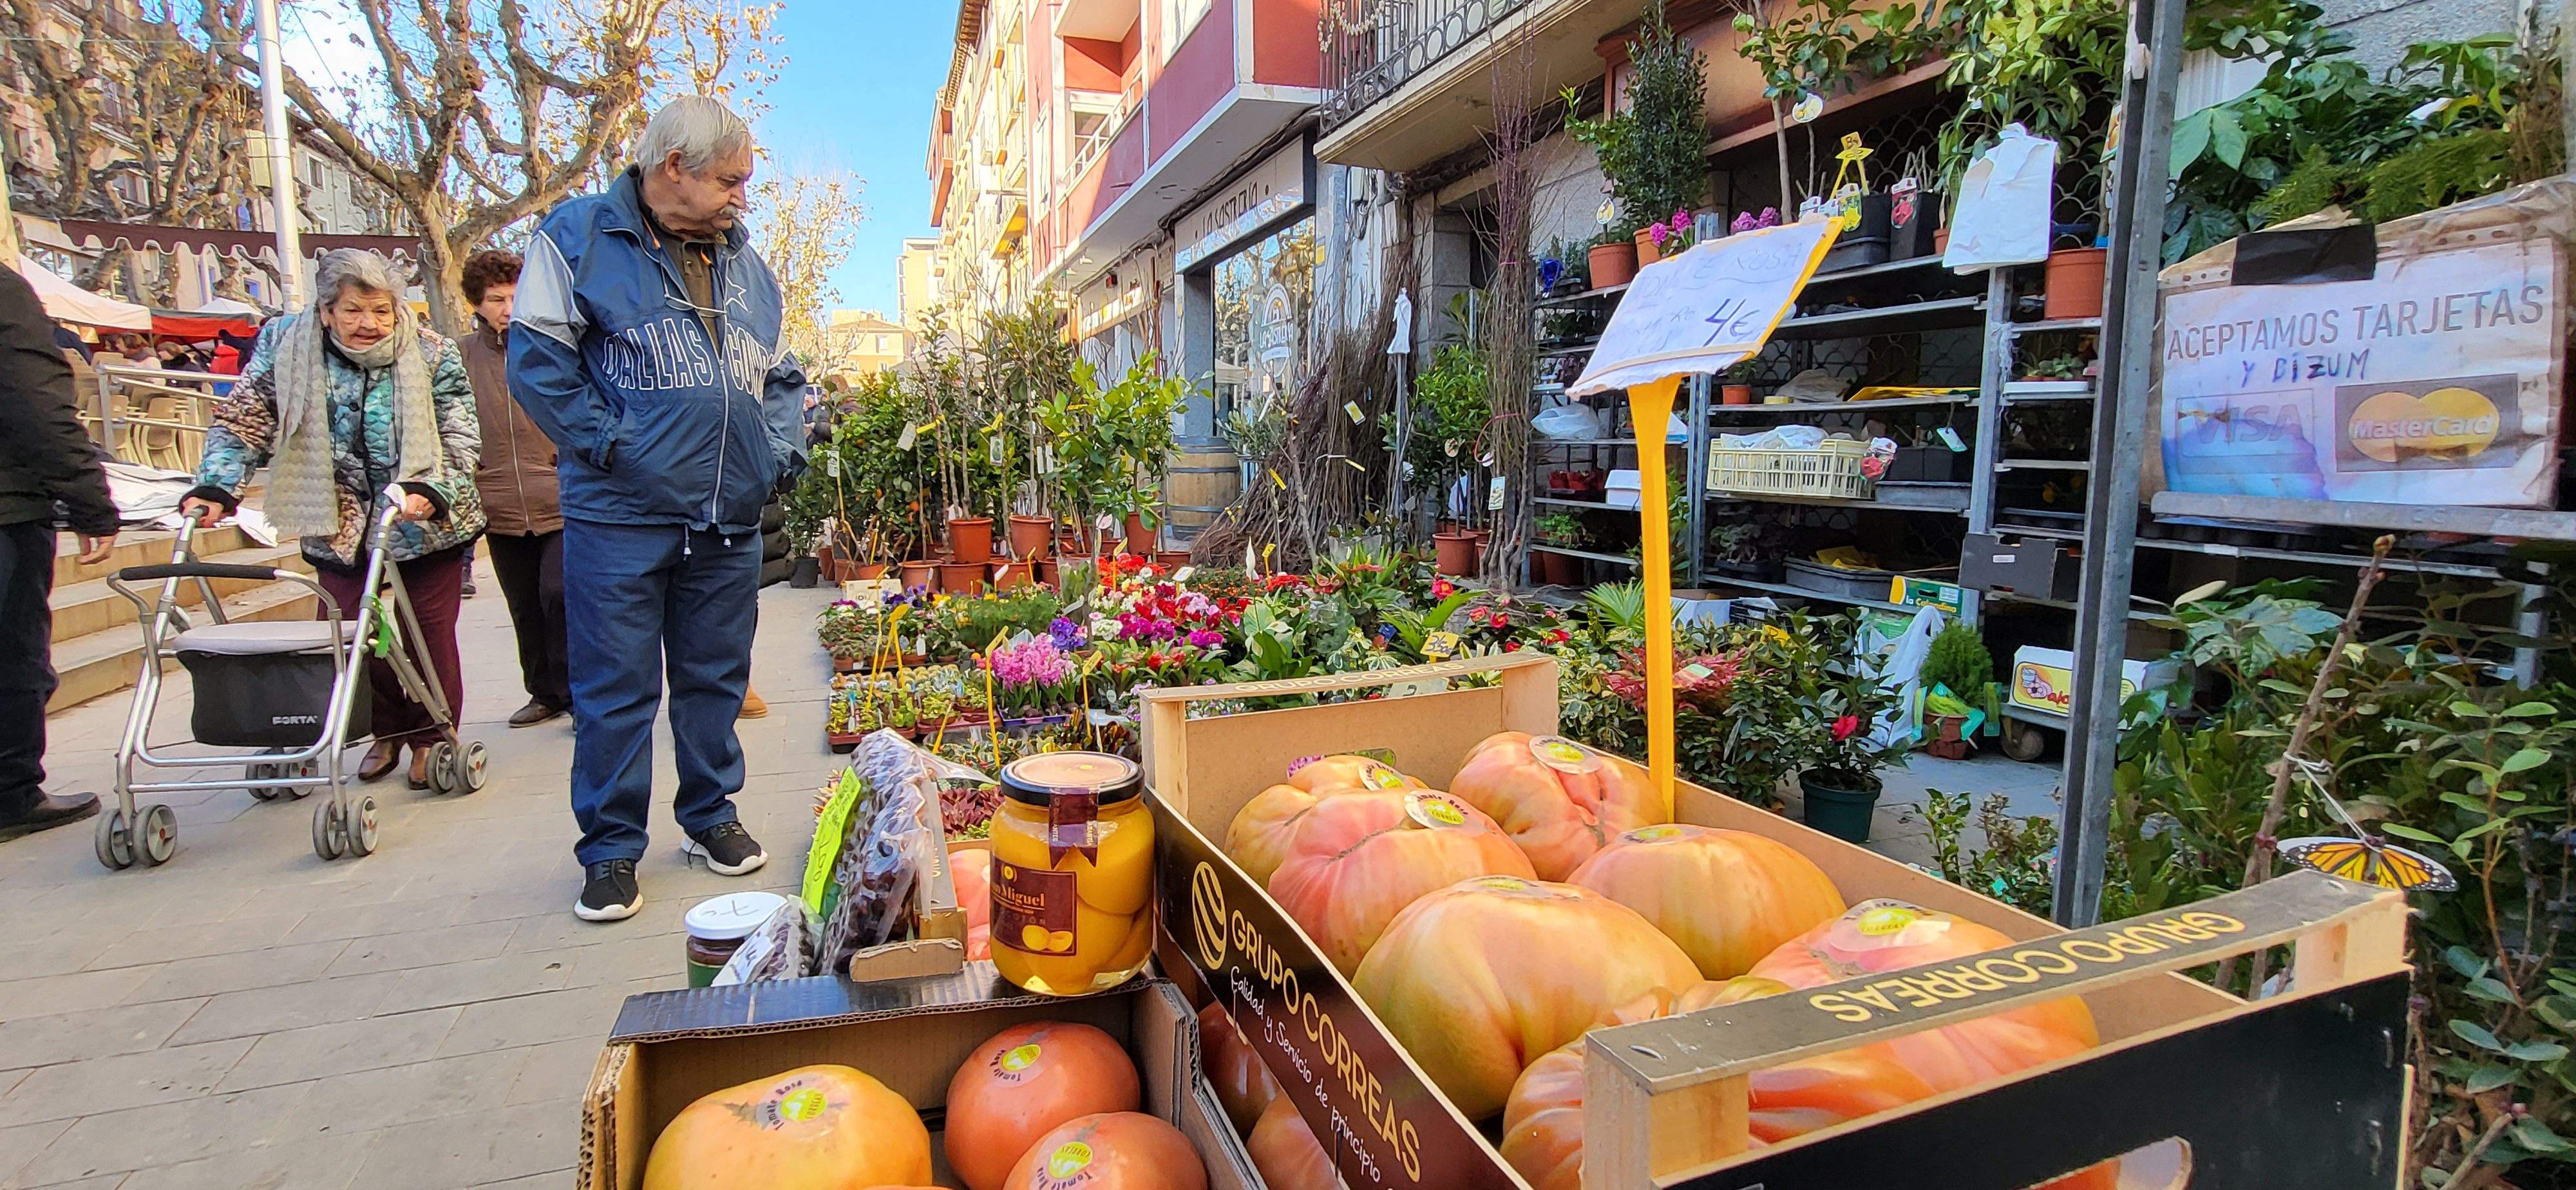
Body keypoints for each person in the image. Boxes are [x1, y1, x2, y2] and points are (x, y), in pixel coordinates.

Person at [511, 96, 805, 921]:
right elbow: (538, 366)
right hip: (620, 516)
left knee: (715, 679)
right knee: (616, 690)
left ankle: (710, 816)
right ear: (671, 166)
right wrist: (617, 447)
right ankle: (608, 850)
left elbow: (781, 377)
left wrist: (778, 458)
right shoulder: (576, 238)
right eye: (729, 180)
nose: (741, 196)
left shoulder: (748, 265)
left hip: (728, 517)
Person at [181, 249, 486, 789]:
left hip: (422, 516)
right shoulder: (287, 349)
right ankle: (382, 731)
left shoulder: (433, 351)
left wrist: (432, 489)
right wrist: (216, 485)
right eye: (353, 311)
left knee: (428, 633)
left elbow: (460, 435)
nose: (369, 324)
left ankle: (430, 737)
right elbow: (245, 419)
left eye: (381, 311)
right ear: (325, 311)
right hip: (335, 516)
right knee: (351, 632)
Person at [0, 267, 118, 841]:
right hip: (7, 510)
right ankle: (11, 795)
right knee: (13, 656)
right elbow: (34, 401)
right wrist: (89, 500)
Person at [457, 249, 569, 727]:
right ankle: (543, 693)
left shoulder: (553, 348)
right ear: (476, 304)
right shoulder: (461, 356)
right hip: (498, 501)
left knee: (560, 594)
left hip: (559, 496)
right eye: (495, 299)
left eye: (515, 296)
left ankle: (579, 695)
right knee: (523, 604)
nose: (507, 307)